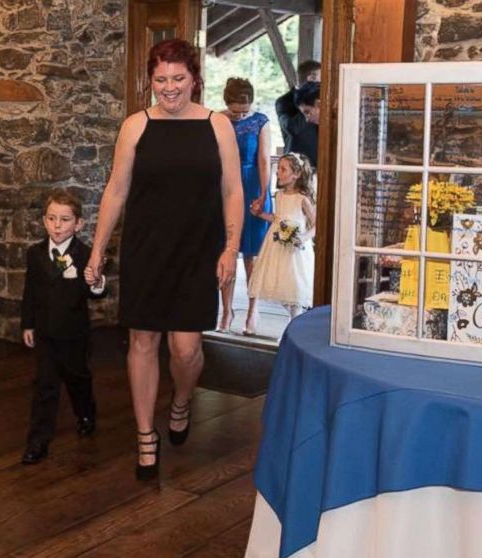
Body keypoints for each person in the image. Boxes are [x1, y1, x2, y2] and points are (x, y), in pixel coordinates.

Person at [85, 38, 243, 481]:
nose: (169, 88)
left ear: (194, 79)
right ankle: (144, 436)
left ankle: (181, 400)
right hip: (145, 249)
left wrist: (230, 250)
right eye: (160, 80)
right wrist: (98, 249)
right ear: (149, 80)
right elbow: (116, 190)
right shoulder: (135, 126)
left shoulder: (217, 125)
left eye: (178, 78)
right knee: (142, 342)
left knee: (186, 349)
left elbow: (233, 191)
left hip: (197, 250)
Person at [20, 189, 106, 465]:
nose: (57, 226)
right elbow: (30, 291)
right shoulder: (35, 253)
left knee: (77, 378)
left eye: (65, 219)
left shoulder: (85, 255)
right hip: (45, 333)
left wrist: (96, 281)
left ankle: (86, 413)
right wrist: (28, 324)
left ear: (78, 223)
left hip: (74, 334)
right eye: (52, 219)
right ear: (44, 220)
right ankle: (38, 441)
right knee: (45, 386)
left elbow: (96, 292)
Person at [220, 77, 271, 336]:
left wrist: (264, 193)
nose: (241, 115)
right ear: (226, 103)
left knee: (251, 255)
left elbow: (263, 160)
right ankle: (227, 309)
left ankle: (253, 310)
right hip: (224, 185)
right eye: (236, 111)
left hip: (252, 185)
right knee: (226, 250)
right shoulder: (217, 120)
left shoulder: (260, 121)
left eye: (245, 110)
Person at [248, 153, 316, 320]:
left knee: (295, 288)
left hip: (295, 250)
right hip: (277, 246)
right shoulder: (279, 195)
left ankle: (295, 323)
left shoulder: (302, 199)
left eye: (283, 169)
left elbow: (317, 225)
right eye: (278, 168)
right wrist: (261, 214)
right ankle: (296, 321)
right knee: (280, 287)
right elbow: (278, 219)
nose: (277, 172)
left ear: (296, 174)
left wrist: (304, 237)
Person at [275, 60, 320, 166]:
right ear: (312, 79)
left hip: (323, 164)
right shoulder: (284, 101)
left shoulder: (325, 99)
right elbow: (292, 128)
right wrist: (308, 106)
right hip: (296, 166)